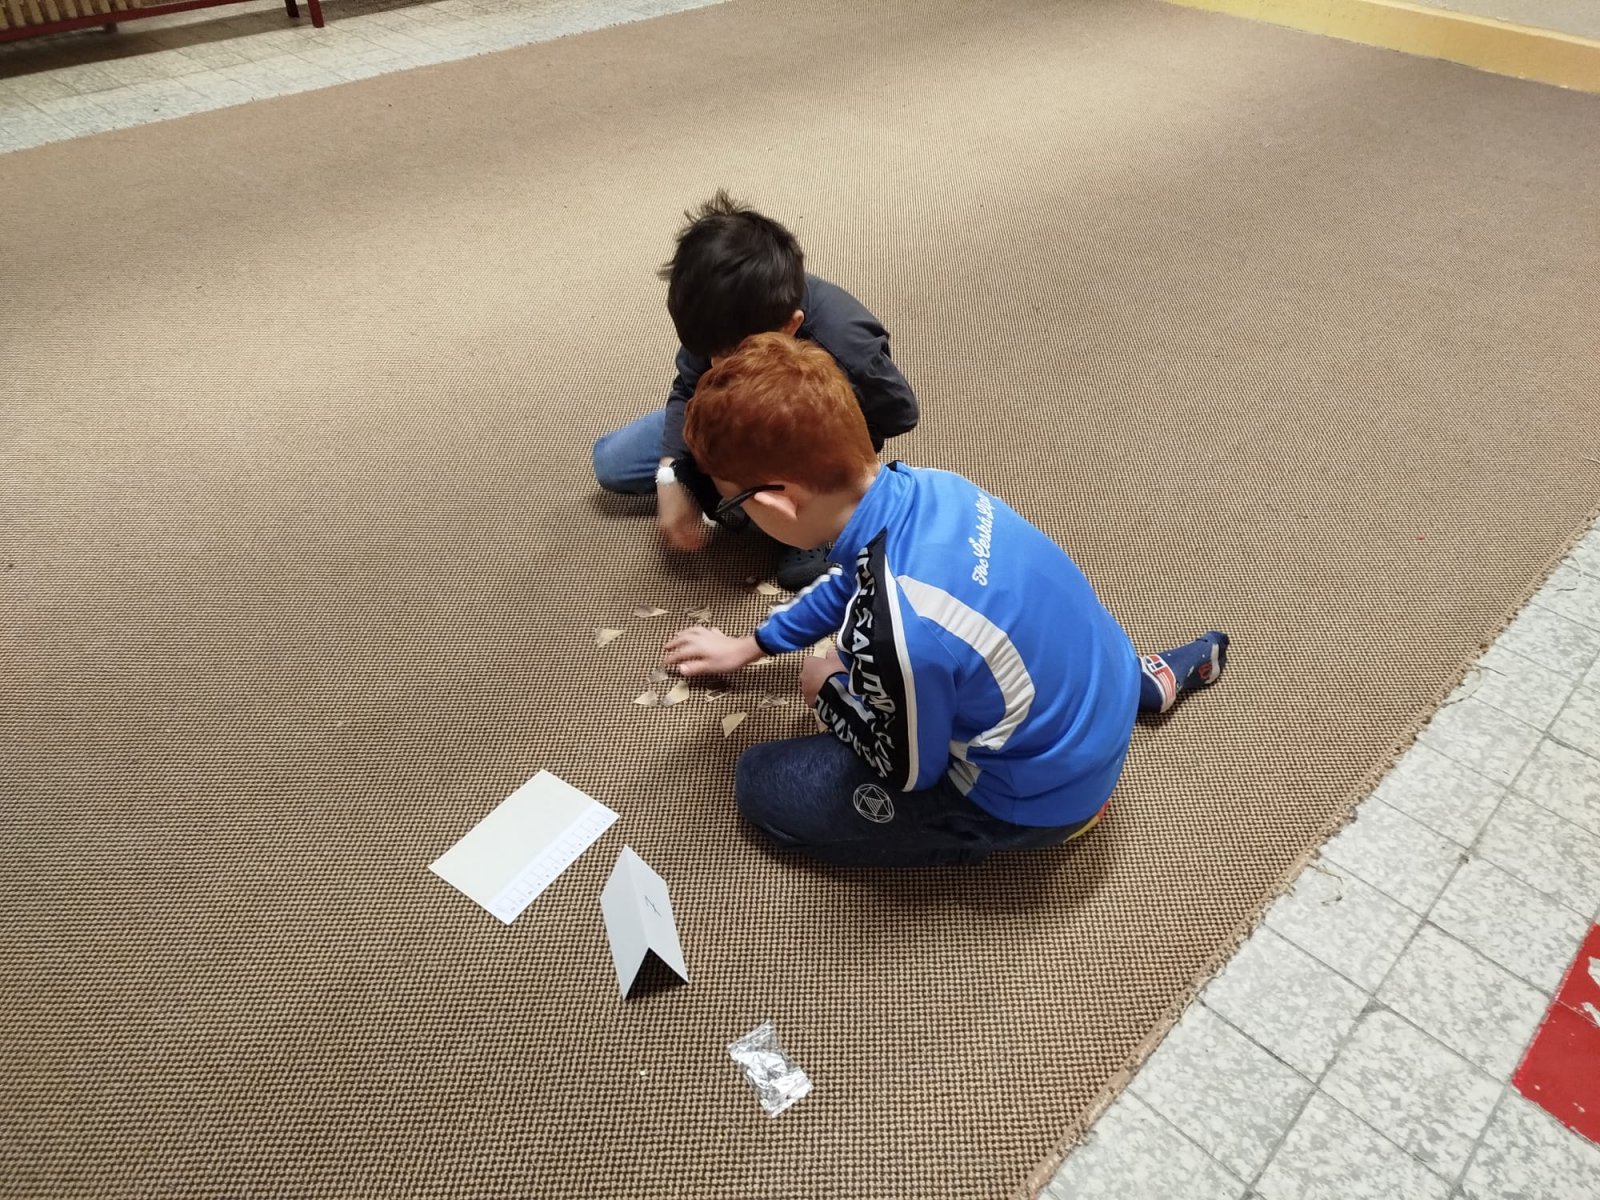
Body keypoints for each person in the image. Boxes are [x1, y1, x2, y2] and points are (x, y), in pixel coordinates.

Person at [662, 334, 1229, 868]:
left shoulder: (904, 629)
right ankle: (1141, 683)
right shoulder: (933, 485)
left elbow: (909, 770)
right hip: (1102, 678)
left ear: (777, 502)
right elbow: (849, 582)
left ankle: (1009, 830)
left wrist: (830, 691)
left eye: (735, 507)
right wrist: (752, 645)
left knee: (761, 782)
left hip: (1042, 799)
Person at [591, 191, 918, 590]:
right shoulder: (719, 316)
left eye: (730, 355)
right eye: (709, 354)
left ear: (790, 326)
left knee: (795, 543)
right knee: (612, 464)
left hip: (800, 428)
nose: (716, 365)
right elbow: (687, 387)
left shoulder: (846, 347)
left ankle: (807, 521)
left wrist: (820, 473)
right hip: (727, 407)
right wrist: (669, 477)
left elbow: (899, 414)